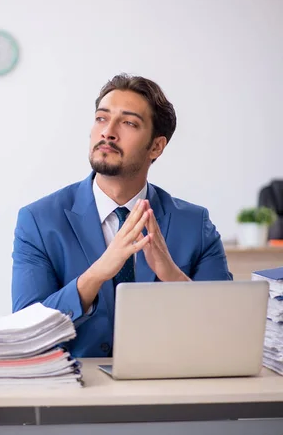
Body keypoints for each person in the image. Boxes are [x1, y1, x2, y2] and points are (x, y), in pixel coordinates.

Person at [12, 74, 232, 357]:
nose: (108, 132)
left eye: (129, 123)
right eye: (102, 118)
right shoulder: (39, 221)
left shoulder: (195, 225)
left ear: (156, 147)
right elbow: (25, 332)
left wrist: (172, 276)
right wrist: (96, 274)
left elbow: (225, 330)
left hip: (167, 391)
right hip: (74, 393)